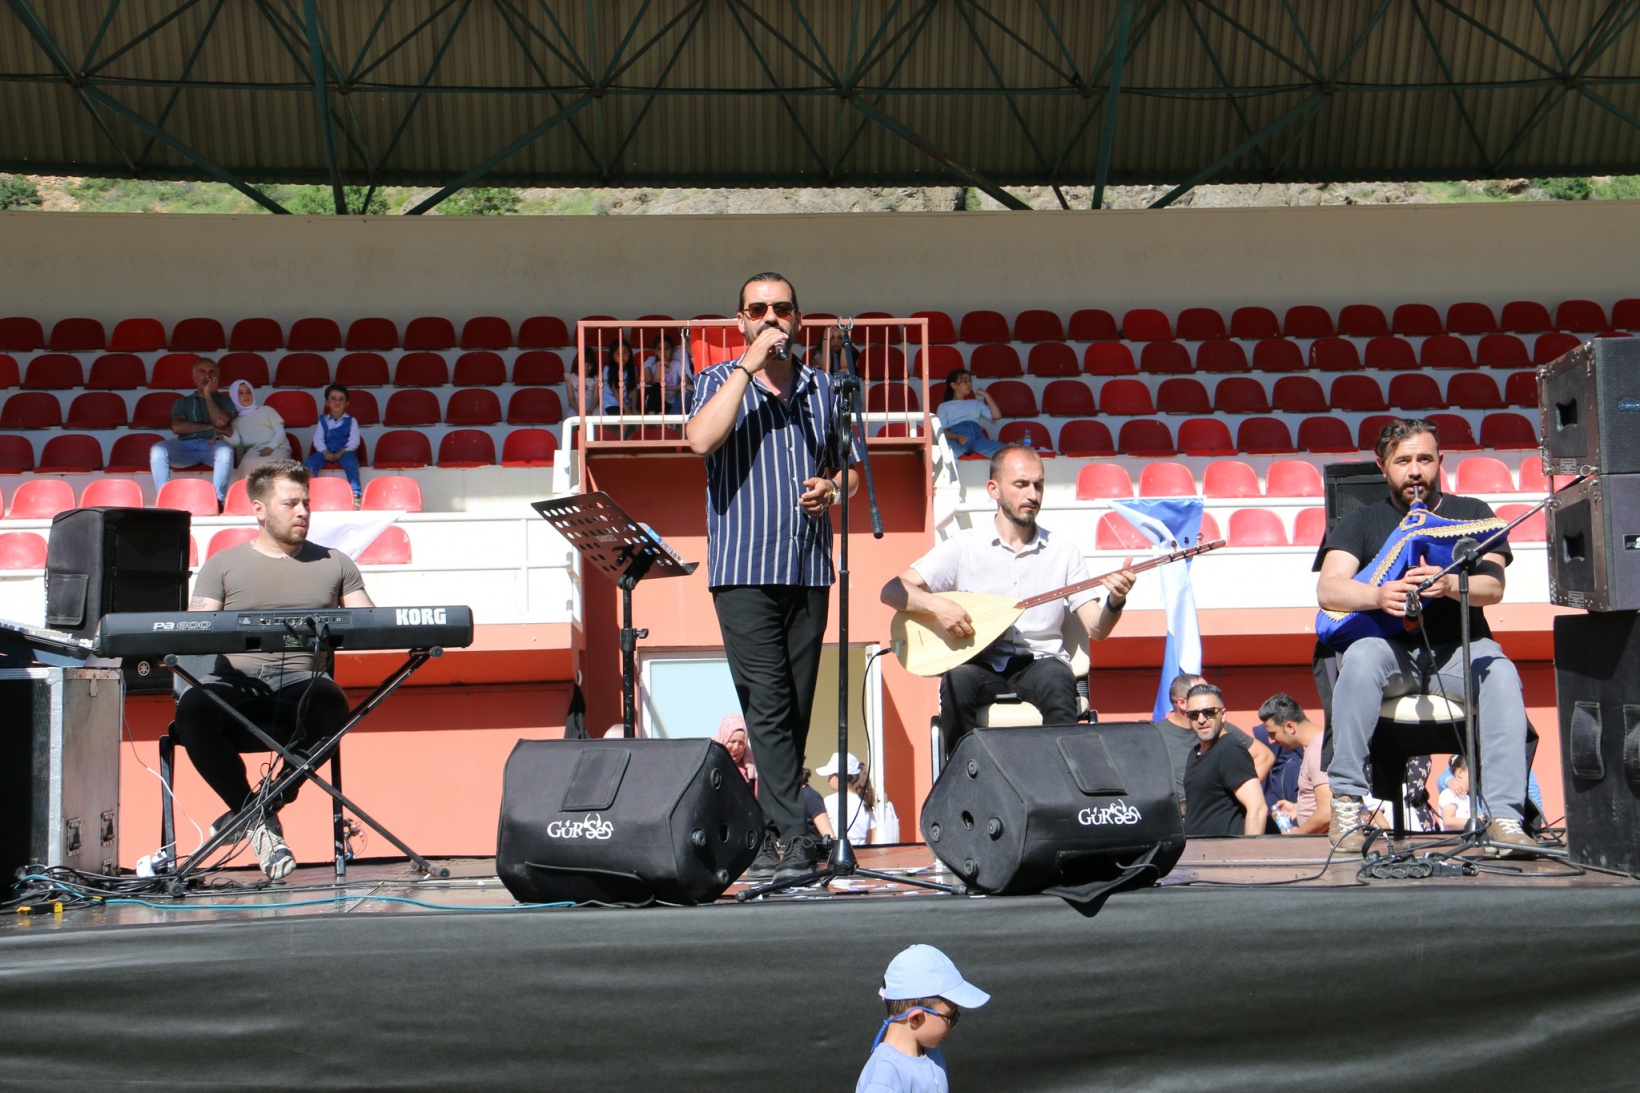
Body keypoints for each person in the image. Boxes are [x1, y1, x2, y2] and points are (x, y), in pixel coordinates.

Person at [685, 271, 859, 885]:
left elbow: (851, 470)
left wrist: (833, 488)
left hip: (809, 566)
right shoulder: (715, 381)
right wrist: (745, 367)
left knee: (795, 709)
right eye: (757, 309)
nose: (770, 317)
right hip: (743, 569)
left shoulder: (823, 389)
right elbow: (700, 439)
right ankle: (795, 834)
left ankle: (766, 833)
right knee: (767, 701)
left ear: (799, 317)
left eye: (781, 308)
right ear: (740, 321)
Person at [1315, 417, 1536, 855]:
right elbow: (1328, 588)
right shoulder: (1360, 522)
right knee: (1359, 657)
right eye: (1403, 461)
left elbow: (1494, 587)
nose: (1414, 471)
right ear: (1383, 467)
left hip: (1458, 652)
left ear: (1440, 461)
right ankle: (1346, 802)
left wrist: (1450, 584)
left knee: (1501, 671)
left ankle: (1506, 817)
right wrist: (1378, 595)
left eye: (1424, 459)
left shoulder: (1472, 513)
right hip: (1390, 654)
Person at [171, 460, 373, 880]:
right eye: (290, 503)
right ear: (260, 510)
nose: (302, 511)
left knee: (332, 703)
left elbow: (368, 623)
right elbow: (195, 629)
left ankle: (254, 815)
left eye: (306, 502)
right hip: (236, 687)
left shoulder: (337, 563)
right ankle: (259, 818)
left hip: (301, 688)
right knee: (193, 709)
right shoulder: (222, 565)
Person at [881, 445, 1135, 760]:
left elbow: (1097, 628)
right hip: (980, 663)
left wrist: (1115, 601)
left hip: (1040, 664)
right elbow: (892, 590)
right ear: (993, 489)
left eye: (1038, 485)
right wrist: (937, 606)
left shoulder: (1064, 552)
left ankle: (1062, 787)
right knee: (956, 681)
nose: (1033, 494)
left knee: (1060, 681)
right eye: (1021, 484)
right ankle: (964, 784)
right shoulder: (964, 548)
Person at [858, 944, 990, 1093]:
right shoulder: (884, 1078)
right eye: (951, 1016)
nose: (954, 1024)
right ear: (915, 1018)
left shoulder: (931, 1052)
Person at [1155, 672, 1275, 805]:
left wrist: (1235, 795)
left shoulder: (1218, 726)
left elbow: (1264, 756)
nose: (1209, 695)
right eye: (1201, 692)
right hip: (1178, 817)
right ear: (1182, 703)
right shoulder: (1155, 733)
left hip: (1215, 817)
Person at [1182, 683, 1268, 837]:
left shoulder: (1231, 752)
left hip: (1224, 855)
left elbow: (1258, 808)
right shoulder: (1195, 752)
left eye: (1208, 712)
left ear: (1223, 714)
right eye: (1194, 714)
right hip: (1198, 855)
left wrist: (1249, 855)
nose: (1201, 720)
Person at [150, 355, 236, 508]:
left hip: (213, 446)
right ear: (194, 377)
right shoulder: (182, 402)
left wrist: (208, 394)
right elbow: (178, 428)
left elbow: (221, 422)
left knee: (225, 451)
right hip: (185, 448)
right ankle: (164, 499)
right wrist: (211, 427)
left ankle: (217, 501)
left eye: (212, 372)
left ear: (217, 376)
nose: (207, 375)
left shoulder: (226, 401)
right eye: (202, 371)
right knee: (157, 449)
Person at [1259, 692, 1333, 835]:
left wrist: (1297, 834)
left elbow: (1327, 813)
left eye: (1273, 733)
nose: (1271, 740)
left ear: (1290, 727)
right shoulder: (1315, 747)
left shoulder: (1318, 751)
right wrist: (1298, 808)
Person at [304, 383, 363, 506]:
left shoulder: (351, 421)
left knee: (352, 463)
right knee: (310, 463)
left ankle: (356, 494)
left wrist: (342, 451)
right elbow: (318, 439)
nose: (337, 402)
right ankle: (308, 493)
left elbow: (354, 441)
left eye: (341, 399)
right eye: (333, 398)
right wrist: (325, 452)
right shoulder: (323, 420)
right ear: (327, 402)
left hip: (345, 452)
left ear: (347, 403)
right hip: (325, 452)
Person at [227, 380, 290, 481]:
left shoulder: (267, 410)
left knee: (273, 465)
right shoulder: (236, 421)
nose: (246, 395)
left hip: (278, 447)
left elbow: (280, 431)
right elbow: (236, 441)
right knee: (246, 465)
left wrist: (271, 446)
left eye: (248, 392)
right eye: (240, 393)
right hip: (255, 451)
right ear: (234, 396)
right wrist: (222, 438)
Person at [934, 369, 1005, 458]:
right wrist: (957, 437)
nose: (970, 384)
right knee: (947, 453)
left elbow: (997, 415)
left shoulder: (975, 403)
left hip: (979, 438)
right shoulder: (944, 406)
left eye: (970, 381)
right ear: (954, 385)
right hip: (956, 438)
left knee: (1006, 452)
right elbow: (942, 431)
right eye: (965, 381)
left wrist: (986, 394)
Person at [817, 751, 876, 845]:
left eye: (831, 775)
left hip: (839, 853)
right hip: (862, 854)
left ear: (840, 777)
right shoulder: (864, 801)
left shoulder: (829, 801)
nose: (828, 779)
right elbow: (869, 836)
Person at [642, 330, 694, 415]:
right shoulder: (653, 365)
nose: (663, 352)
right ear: (655, 352)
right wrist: (659, 366)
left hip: (674, 403)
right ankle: (653, 414)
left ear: (672, 350)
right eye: (659, 349)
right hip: (659, 402)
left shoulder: (677, 364)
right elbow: (656, 386)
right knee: (655, 388)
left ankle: (669, 420)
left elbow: (687, 384)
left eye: (666, 348)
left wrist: (669, 388)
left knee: (690, 389)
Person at [714, 712, 758, 799]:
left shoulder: (750, 764)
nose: (736, 747)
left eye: (741, 742)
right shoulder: (711, 756)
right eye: (732, 741)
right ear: (724, 737)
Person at [1439, 754, 1473, 831]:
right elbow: (1448, 822)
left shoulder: (1468, 796)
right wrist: (1476, 821)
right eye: (1473, 773)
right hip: (1454, 841)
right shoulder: (1449, 794)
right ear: (1460, 773)